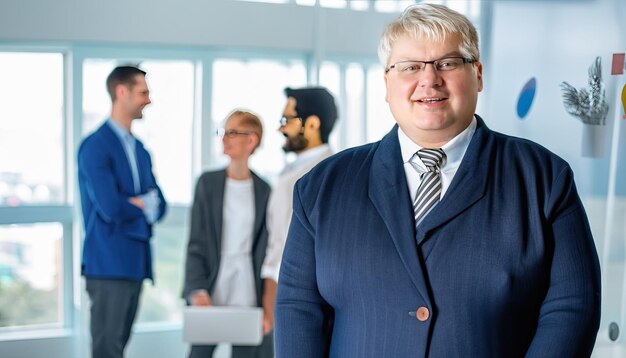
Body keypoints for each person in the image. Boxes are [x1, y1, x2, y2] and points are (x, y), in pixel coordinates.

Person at [275, 4, 601, 358]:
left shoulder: (543, 178)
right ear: (387, 83)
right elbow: (298, 311)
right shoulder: (322, 187)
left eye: (447, 63)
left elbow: (572, 307)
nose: (429, 80)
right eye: (410, 67)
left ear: (477, 74)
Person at [78, 65, 167, 358]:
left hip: (135, 263)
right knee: (107, 350)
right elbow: (111, 207)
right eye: (143, 92)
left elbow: (161, 205)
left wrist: (138, 203)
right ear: (121, 91)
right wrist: (142, 203)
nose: (149, 100)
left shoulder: (140, 149)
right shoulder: (94, 146)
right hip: (107, 265)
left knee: (119, 347)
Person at [182, 110, 273, 358]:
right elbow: (196, 243)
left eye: (232, 133)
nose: (224, 139)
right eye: (223, 132)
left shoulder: (265, 191)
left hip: (247, 288)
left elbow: (269, 253)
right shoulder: (207, 184)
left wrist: (268, 308)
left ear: (251, 140)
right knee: (199, 353)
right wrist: (196, 290)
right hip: (211, 285)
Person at [259, 87, 338, 333]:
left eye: (287, 120)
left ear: (313, 124)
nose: (281, 128)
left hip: (298, 291)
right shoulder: (295, 170)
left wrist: (271, 292)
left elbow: (284, 242)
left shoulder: (323, 172)